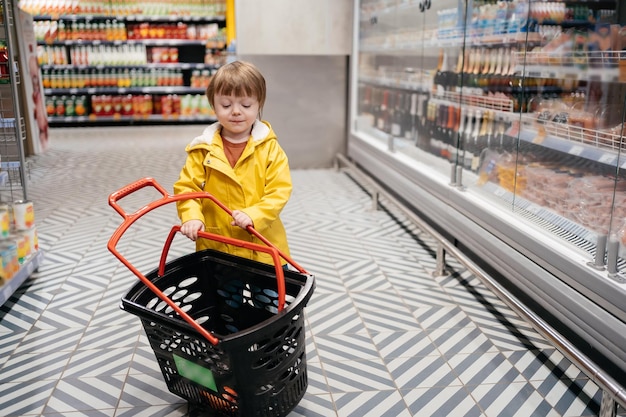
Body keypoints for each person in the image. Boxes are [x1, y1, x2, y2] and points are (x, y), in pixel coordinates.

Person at [173, 60, 292, 266]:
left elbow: (279, 191)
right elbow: (187, 189)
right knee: (225, 298)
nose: (236, 111)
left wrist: (254, 214)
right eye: (226, 105)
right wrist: (192, 216)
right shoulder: (202, 149)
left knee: (269, 297)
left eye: (246, 105)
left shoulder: (270, 148)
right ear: (213, 105)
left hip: (263, 246)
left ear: (258, 105)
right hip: (219, 247)